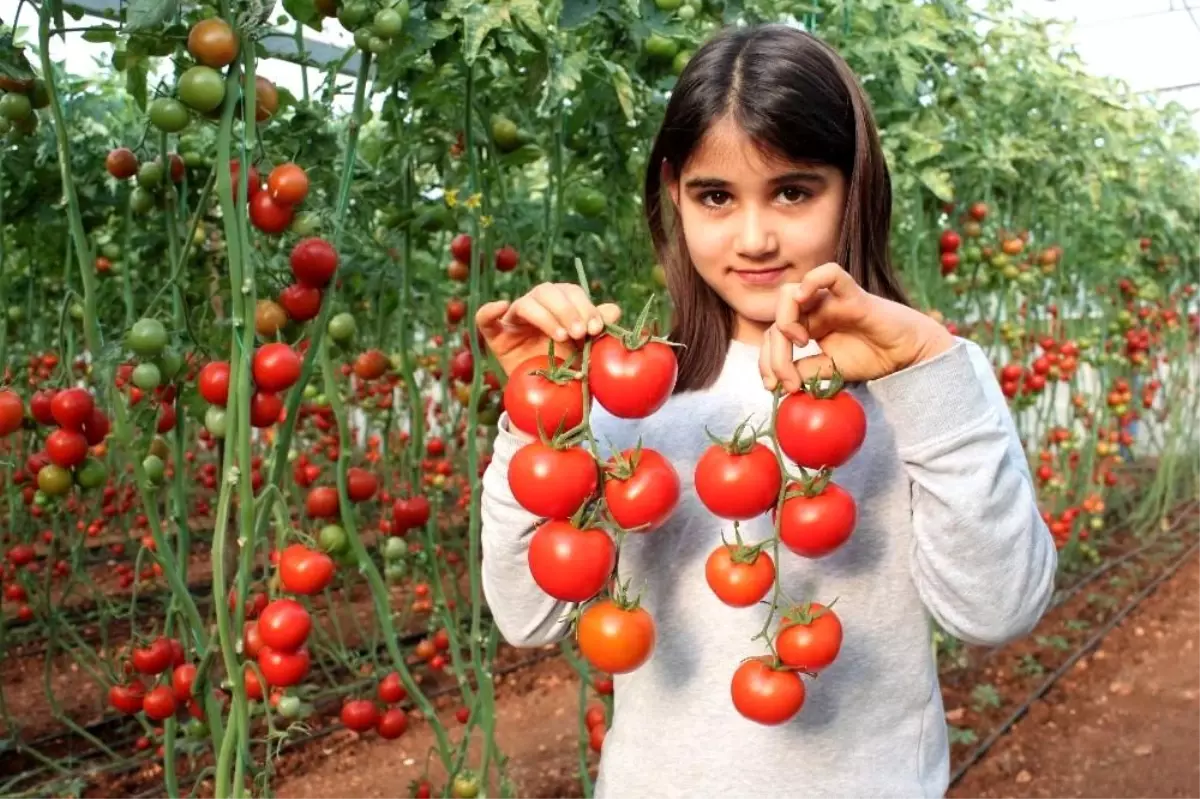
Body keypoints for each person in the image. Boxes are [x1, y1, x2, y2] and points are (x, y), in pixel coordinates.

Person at [475, 23, 1057, 798]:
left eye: (792, 190)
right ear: (674, 193)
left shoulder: (926, 383)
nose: (754, 237)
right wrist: (535, 410)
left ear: (855, 186)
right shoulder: (625, 397)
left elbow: (999, 609)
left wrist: (931, 370)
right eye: (716, 196)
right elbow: (530, 617)